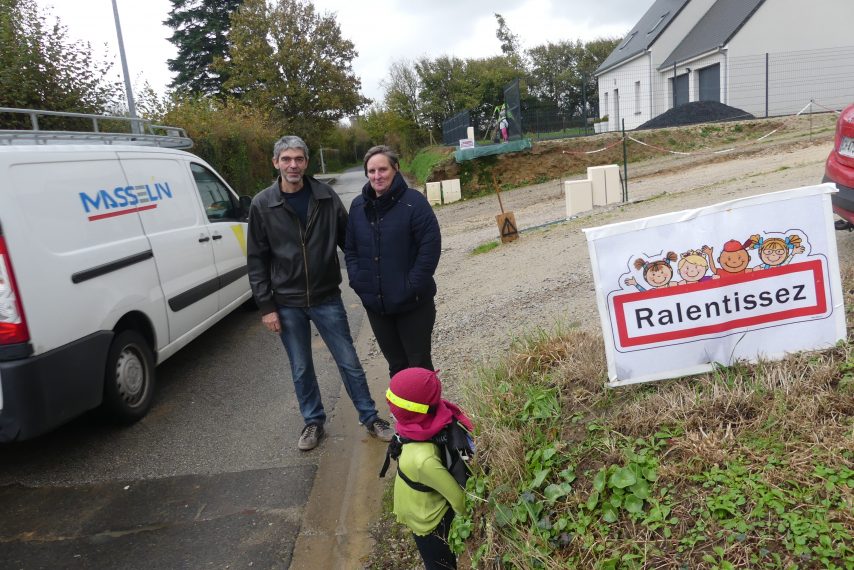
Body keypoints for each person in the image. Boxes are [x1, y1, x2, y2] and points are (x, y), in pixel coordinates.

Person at [246, 135, 394, 451]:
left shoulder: (325, 196)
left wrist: (371, 275)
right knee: (301, 367)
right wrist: (266, 306)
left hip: (327, 296)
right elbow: (257, 259)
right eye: (286, 159)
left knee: (349, 361)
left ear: (306, 162)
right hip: (286, 302)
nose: (293, 165)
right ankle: (313, 422)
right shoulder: (262, 204)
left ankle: (369, 418)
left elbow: (348, 241)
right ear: (276, 163)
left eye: (298, 158)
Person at [345, 145, 442, 379]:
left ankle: (429, 415)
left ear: (395, 169)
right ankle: (405, 416)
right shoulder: (358, 207)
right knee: (397, 367)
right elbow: (351, 250)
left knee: (418, 366)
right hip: (378, 307)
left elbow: (429, 249)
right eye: (371, 171)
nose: (377, 176)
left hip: (413, 304)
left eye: (382, 169)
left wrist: (411, 286)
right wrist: (359, 282)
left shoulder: (414, 203)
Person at [386, 368, 474, 570]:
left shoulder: (422, 459)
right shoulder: (437, 417)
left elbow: (459, 501)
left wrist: (472, 520)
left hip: (430, 523)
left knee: (439, 564)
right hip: (426, 506)